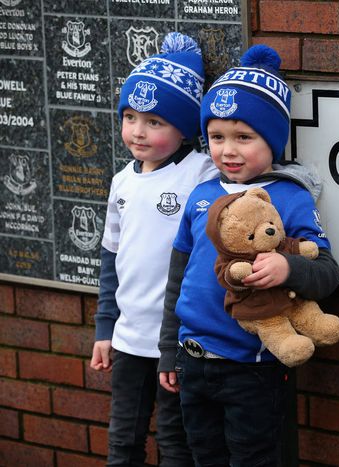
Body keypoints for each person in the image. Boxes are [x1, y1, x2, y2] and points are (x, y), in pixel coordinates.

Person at [157, 44, 339, 466]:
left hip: (251, 367)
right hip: (193, 359)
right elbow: (178, 279)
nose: (228, 150)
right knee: (205, 457)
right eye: (217, 137)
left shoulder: (289, 198)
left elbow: (327, 272)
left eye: (244, 137)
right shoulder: (201, 195)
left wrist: (287, 266)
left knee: (253, 459)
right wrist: (170, 350)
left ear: (272, 140)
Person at [90, 32, 218, 466]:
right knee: (123, 440)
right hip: (128, 340)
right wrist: (105, 329)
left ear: (185, 128)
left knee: (175, 442)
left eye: (155, 122)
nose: (137, 132)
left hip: (178, 341)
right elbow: (111, 261)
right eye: (130, 116)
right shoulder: (121, 181)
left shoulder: (202, 173)